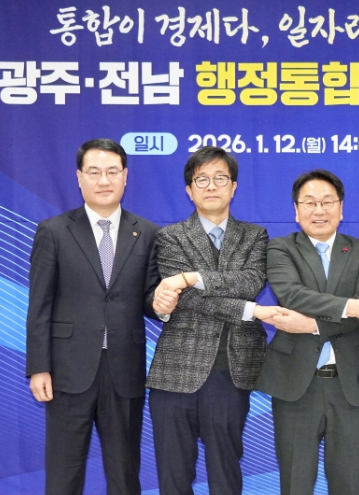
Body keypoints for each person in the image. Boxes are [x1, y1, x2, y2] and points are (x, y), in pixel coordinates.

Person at [25, 138, 178, 494]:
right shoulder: (54, 231)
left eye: (112, 171)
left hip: (124, 370)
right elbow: (40, 305)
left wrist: (162, 304)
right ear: (79, 177)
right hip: (67, 371)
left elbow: (148, 298)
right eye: (94, 172)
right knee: (63, 474)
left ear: (125, 176)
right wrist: (39, 367)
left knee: (125, 475)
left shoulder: (149, 233)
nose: (104, 180)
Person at [146, 146, 276, 494]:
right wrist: (249, 311)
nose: (211, 186)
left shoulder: (255, 235)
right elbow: (187, 300)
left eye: (220, 178)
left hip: (231, 372)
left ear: (234, 187)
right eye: (201, 180)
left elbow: (251, 282)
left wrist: (192, 277)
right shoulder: (170, 236)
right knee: (173, 477)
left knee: (225, 473)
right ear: (189, 190)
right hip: (175, 373)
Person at [257, 169, 359, 495]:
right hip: (295, 384)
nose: (319, 210)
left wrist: (313, 324)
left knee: (349, 484)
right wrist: (352, 307)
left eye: (327, 202)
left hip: (351, 384)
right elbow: (293, 296)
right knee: (295, 483)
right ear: (296, 210)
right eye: (310, 202)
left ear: (341, 208)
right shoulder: (280, 248)